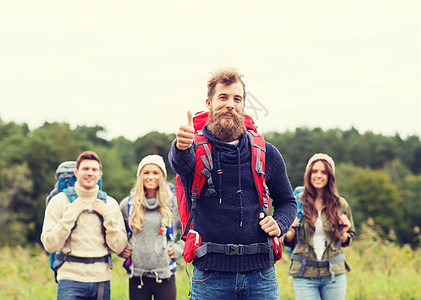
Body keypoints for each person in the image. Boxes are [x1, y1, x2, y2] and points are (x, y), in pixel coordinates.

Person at [169, 68, 297, 300]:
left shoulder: (267, 153)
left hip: (261, 276)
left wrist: (280, 224)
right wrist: (180, 146)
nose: (230, 104)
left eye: (237, 99)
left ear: (243, 105)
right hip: (210, 277)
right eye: (223, 97)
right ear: (209, 103)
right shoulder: (193, 150)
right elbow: (180, 163)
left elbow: (288, 202)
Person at [41, 151, 128, 300]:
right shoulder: (59, 202)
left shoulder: (110, 204)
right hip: (70, 279)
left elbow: (119, 246)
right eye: (85, 169)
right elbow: (50, 244)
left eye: (94, 170)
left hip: (101, 279)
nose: (90, 173)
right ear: (76, 172)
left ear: (100, 174)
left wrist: (107, 216)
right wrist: (70, 215)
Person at [283, 153, 356, 300]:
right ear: (308, 174)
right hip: (304, 274)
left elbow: (347, 240)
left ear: (330, 176)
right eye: (314, 171)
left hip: (334, 274)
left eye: (323, 172)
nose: (318, 175)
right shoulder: (296, 201)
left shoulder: (341, 205)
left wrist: (342, 231)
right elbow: (287, 240)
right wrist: (290, 229)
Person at [120, 154, 183, 300]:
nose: (150, 177)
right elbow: (116, 234)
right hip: (137, 276)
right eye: (146, 173)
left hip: (165, 275)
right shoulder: (127, 205)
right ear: (140, 176)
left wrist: (180, 248)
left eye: (155, 173)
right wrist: (122, 249)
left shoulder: (173, 203)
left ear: (162, 176)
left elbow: (190, 231)